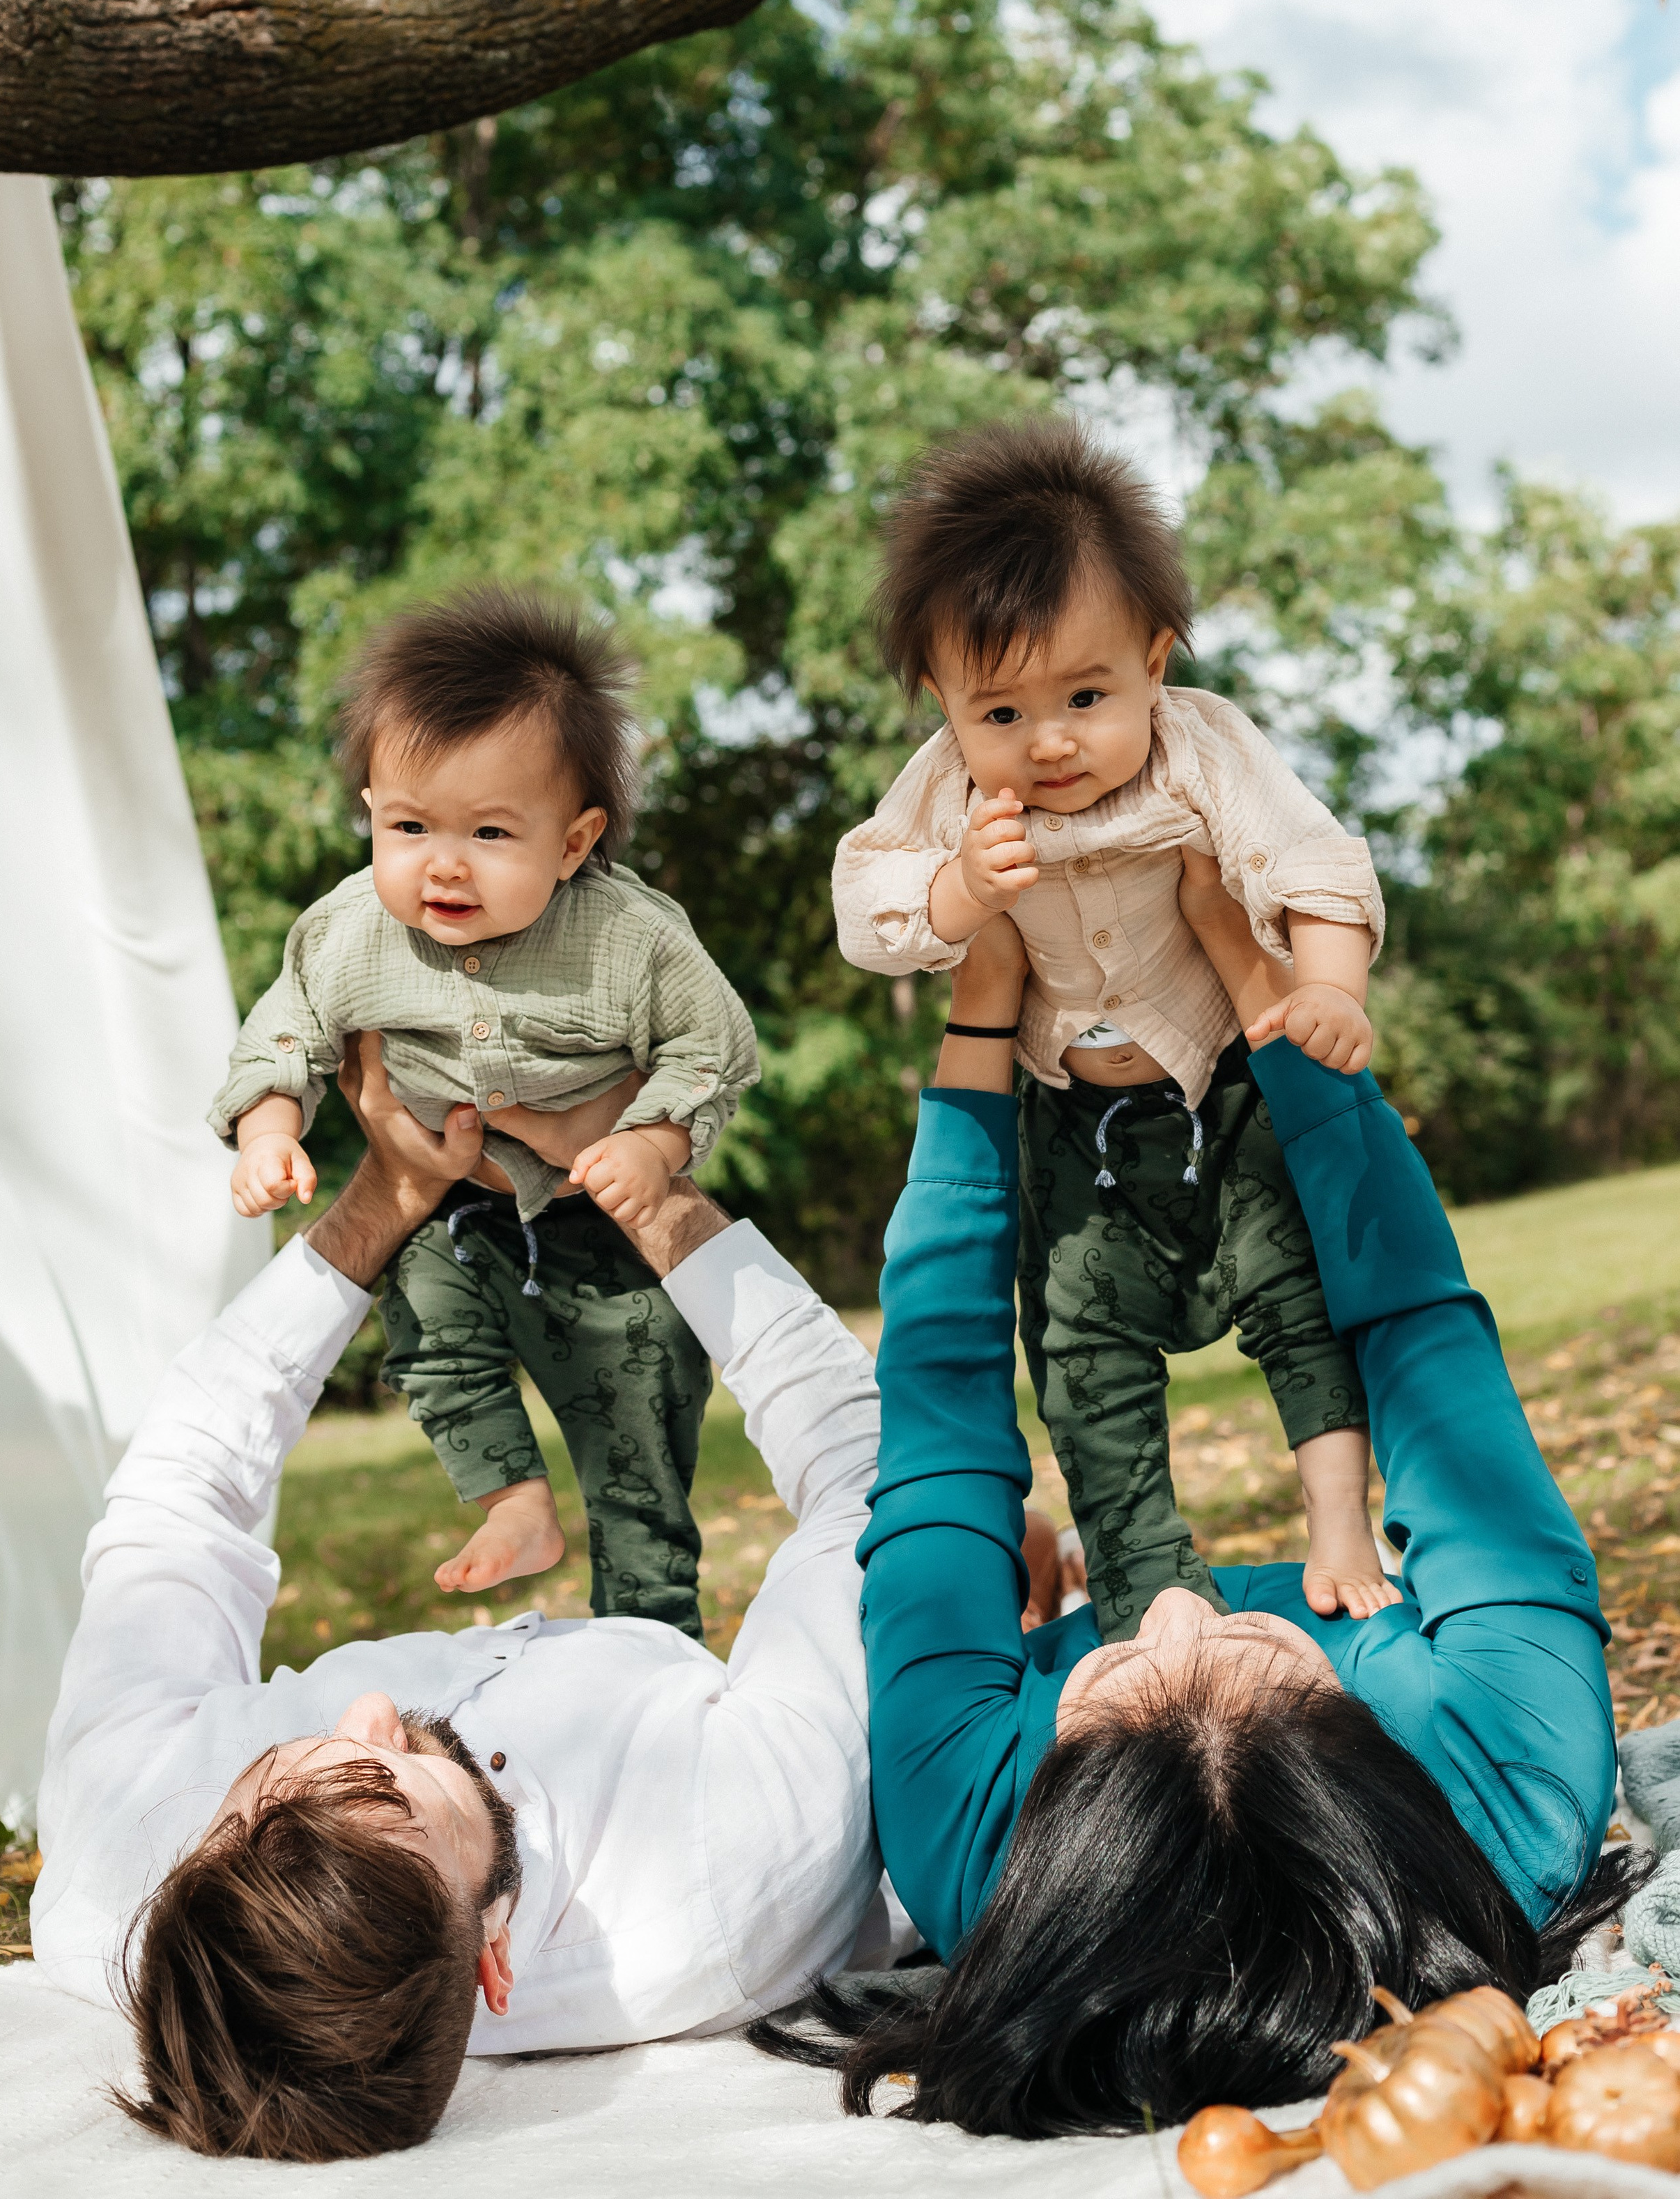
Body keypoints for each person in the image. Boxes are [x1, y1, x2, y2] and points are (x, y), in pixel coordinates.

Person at [753, 914, 1643, 2136]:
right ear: (1371, 1747)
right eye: (1260, 1652)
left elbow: (941, 1427)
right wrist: (1251, 978)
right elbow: (1417, 1327)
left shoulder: (971, 1844)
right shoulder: (1521, 1784)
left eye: (1111, 1670)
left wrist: (979, 1028)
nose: (1180, 1603)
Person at [32, 1034, 879, 2163]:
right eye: (407, 1782)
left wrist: (385, 1197)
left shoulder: (116, 1849)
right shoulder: (738, 1857)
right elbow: (870, 1486)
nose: (370, 1709)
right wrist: (653, 1194)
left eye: (260, 1781)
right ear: (493, 1959)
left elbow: (171, 1500)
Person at [833, 417, 1395, 1633]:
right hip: (1074, 1129)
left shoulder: (1204, 747)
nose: (1049, 741)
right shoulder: (945, 790)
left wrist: (1334, 986)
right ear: (941, 701)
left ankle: (1340, 1517)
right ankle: (1145, 1574)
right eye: (1000, 712)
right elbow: (869, 908)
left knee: (1299, 1298)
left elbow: (1311, 861)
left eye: (1087, 695)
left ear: (1156, 655)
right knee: (1083, 1357)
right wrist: (960, 892)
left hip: (1223, 1093)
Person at [210, 586, 760, 1628]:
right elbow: (286, 1030)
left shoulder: (625, 939)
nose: (443, 864)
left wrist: (653, 1137)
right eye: (411, 825)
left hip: (602, 1215)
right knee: (426, 1328)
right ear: (372, 812)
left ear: (572, 840)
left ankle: (654, 1619)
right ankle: (513, 1499)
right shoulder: (348, 933)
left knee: (644, 1386)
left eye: (491, 831)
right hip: (454, 1214)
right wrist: (271, 1130)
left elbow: (714, 1042)